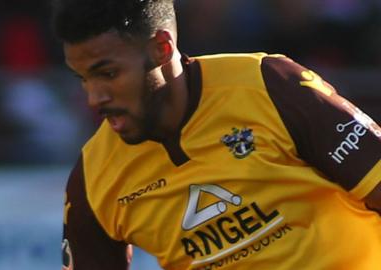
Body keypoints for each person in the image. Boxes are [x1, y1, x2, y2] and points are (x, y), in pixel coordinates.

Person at [53, 0, 381, 269]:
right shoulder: (93, 179)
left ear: (162, 49)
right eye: (83, 79)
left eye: (108, 74)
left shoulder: (268, 85)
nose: (94, 98)